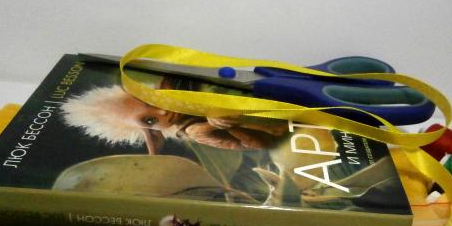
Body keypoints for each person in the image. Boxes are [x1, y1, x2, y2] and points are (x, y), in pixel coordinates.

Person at [61, 78, 287, 154]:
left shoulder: (177, 90)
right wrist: (214, 119)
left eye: (150, 102)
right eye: (150, 120)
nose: (161, 111)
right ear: (151, 133)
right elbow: (256, 141)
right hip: (270, 135)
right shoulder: (191, 130)